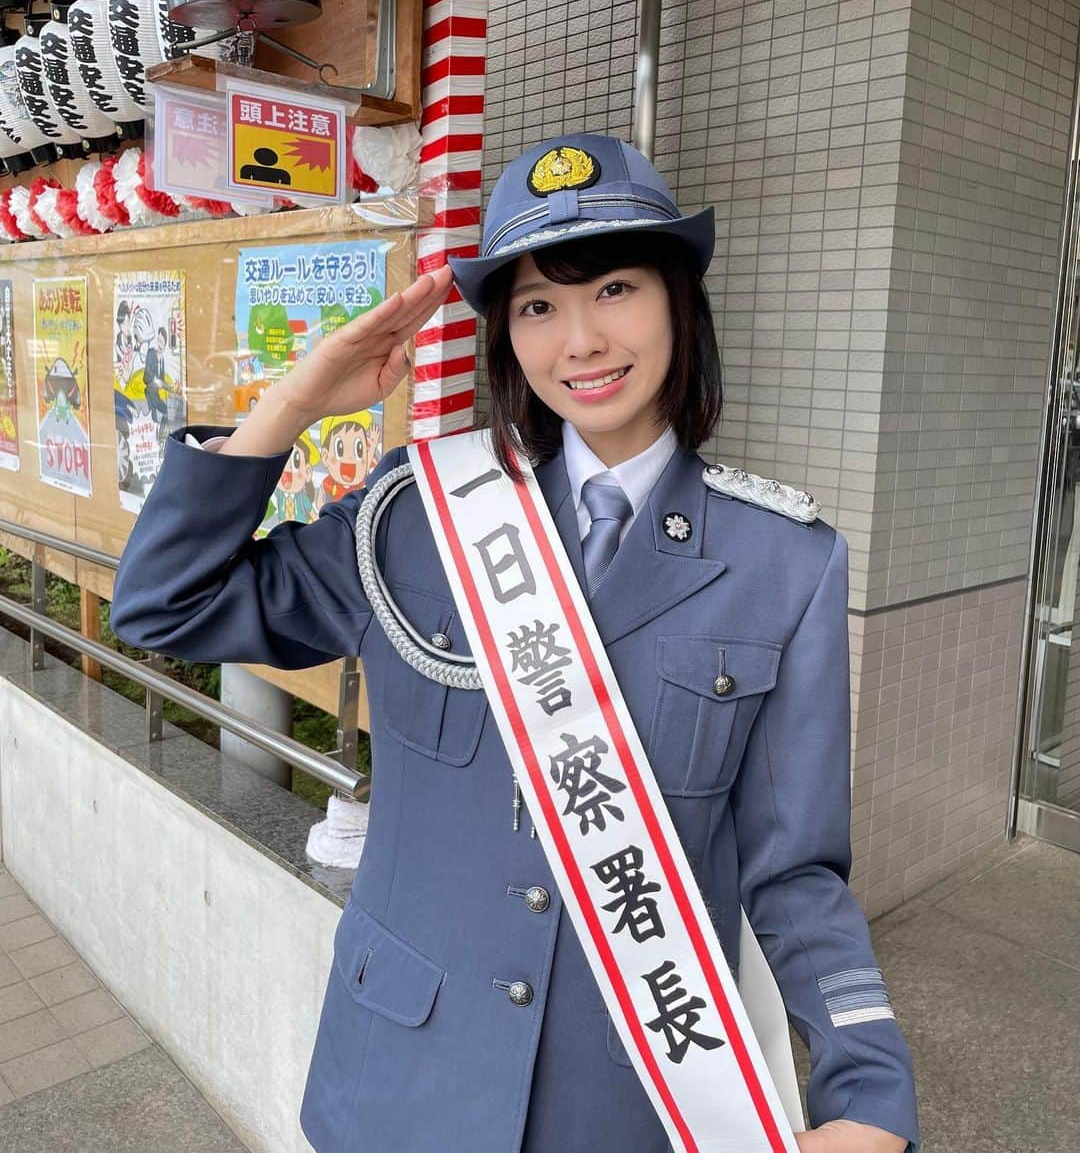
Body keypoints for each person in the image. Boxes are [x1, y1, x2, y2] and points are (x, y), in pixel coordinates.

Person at [110, 133, 919, 1153]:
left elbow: (796, 875)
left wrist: (867, 1088)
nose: (579, 340)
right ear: (504, 334)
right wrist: (296, 400)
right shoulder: (416, 519)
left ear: (679, 301)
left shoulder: (784, 565)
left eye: (615, 288)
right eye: (537, 305)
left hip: (630, 1099)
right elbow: (164, 608)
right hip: (401, 1084)